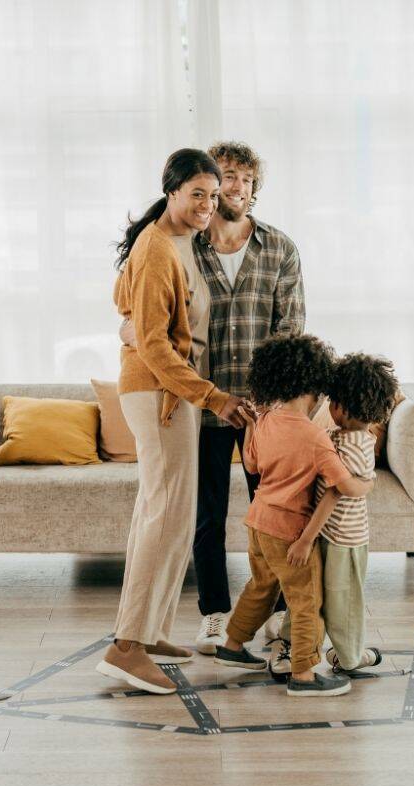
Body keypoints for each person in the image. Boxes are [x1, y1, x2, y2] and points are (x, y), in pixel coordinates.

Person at [122, 141, 306, 655]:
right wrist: (129, 329)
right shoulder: (182, 240)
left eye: (245, 179)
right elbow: (137, 305)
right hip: (199, 402)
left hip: (261, 406)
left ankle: (277, 613)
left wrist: (282, 404)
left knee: (274, 512)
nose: (233, 188)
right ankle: (213, 615)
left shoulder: (279, 248)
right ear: (191, 188)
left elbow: (291, 330)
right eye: (224, 178)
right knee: (202, 516)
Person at [97, 148, 250, 695]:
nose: (209, 204)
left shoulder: (181, 240)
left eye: (214, 194)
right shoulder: (159, 247)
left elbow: (126, 301)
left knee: (170, 516)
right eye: (198, 195)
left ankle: (151, 630)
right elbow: (158, 345)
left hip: (171, 392)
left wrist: (130, 326)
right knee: (165, 517)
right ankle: (126, 647)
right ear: (172, 192)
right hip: (161, 392)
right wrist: (213, 397)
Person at [213, 334, 373, 697]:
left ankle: (232, 645)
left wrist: (253, 425)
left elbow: (252, 465)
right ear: (313, 386)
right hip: (287, 529)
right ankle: (303, 674)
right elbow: (344, 485)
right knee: (306, 599)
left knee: (260, 587)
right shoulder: (315, 436)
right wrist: (367, 484)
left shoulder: (267, 419)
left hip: (257, 521)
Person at [268, 353, 400, 679]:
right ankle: (294, 644)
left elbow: (332, 495)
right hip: (329, 536)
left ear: (339, 407)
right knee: (306, 594)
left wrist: (305, 538)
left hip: (342, 542)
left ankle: (350, 656)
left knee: (341, 605)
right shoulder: (341, 437)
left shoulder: (356, 445)